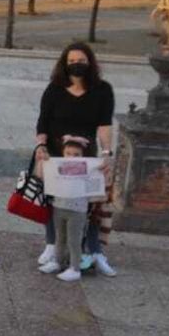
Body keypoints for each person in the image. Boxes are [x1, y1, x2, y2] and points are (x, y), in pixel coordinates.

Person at [33, 43, 117, 277]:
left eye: (81, 60)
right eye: (71, 61)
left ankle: (95, 251)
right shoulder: (54, 89)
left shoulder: (102, 90)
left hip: (85, 156)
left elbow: (104, 125)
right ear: (64, 64)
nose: (76, 65)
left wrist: (107, 153)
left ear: (90, 63)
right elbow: (43, 122)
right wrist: (40, 146)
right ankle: (52, 246)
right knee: (52, 201)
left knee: (91, 203)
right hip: (55, 154)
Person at [38, 135, 94, 283]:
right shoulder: (59, 167)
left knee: (74, 240)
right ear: (63, 153)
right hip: (59, 206)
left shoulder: (87, 170)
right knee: (60, 237)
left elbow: (98, 184)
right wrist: (42, 161)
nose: (71, 157)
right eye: (68, 153)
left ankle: (75, 268)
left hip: (77, 210)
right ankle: (57, 261)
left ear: (83, 156)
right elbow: (42, 177)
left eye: (76, 154)